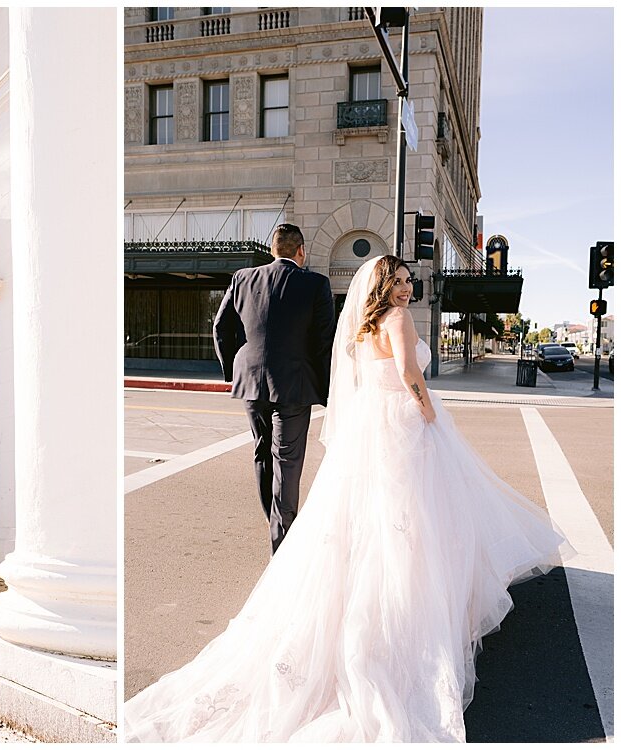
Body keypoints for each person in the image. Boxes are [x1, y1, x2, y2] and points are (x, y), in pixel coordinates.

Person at [124, 254, 569, 742]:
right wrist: (428, 412)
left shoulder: (362, 325)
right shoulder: (397, 320)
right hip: (403, 425)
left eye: (407, 282)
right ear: (381, 285)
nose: (405, 290)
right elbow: (408, 372)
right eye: (397, 282)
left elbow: (362, 381)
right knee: (412, 520)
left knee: (367, 522)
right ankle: (405, 626)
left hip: (370, 429)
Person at [212, 223, 337, 552]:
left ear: (272, 250)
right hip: (294, 386)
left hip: (251, 383)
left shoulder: (243, 278)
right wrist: (325, 389)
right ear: (301, 250)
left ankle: (276, 525)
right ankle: (282, 546)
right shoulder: (316, 284)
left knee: (262, 454)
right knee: (287, 462)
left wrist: (233, 370)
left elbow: (221, 327)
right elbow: (324, 342)